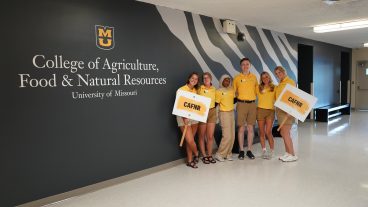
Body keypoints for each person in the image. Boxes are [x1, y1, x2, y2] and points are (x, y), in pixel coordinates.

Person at [233, 58, 258, 160]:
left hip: (252, 104)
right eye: (243, 64)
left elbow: (257, 91)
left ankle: (249, 150)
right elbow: (233, 92)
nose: (245, 66)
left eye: (247, 64)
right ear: (240, 66)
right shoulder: (237, 78)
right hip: (241, 104)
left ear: (250, 65)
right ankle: (241, 151)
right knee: (241, 128)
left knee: (251, 128)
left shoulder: (254, 77)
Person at [274, 66, 298, 162]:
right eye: (276, 73)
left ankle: (292, 154)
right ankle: (287, 153)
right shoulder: (280, 84)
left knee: (285, 133)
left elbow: (293, 97)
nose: (278, 75)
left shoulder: (290, 82)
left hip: (287, 112)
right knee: (283, 133)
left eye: (279, 72)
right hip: (279, 111)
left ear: (284, 72)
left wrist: (290, 111)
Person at [176, 72, 200, 168]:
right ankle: (197, 154)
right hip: (183, 117)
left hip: (194, 117)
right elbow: (179, 105)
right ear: (189, 78)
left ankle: (190, 161)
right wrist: (184, 118)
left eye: (196, 79)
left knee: (190, 141)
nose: (194, 80)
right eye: (192, 78)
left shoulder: (195, 91)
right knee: (190, 140)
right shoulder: (181, 90)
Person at [215, 75, 235, 162]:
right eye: (225, 80)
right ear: (221, 81)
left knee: (232, 135)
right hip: (223, 113)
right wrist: (216, 116)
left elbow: (234, 100)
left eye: (228, 80)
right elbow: (216, 104)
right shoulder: (218, 91)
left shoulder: (231, 90)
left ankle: (228, 154)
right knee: (227, 135)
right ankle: (219, 154)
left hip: (231, 113)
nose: (227, 82)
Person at [198, 72, 217, 164]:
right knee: (202, 136)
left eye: (207, 77)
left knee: (210, 136)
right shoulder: (199, 89)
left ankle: (209, 155)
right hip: (202, 112)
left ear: (211, 78)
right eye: (204, 78)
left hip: (212, 112)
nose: (206, 79)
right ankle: (204, 155)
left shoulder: (214, 89)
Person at [256, 72, 276, 159]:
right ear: (261, 79)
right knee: (262, 132)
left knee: (268, 132)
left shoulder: (274, 87)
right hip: (260, 110)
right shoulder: (258, 87)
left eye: (266, 77)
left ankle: (272, 151)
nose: (265, 79)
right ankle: (264, 151)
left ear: (269, 77)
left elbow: (280, 98)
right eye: (263, 77)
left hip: (270, 111)